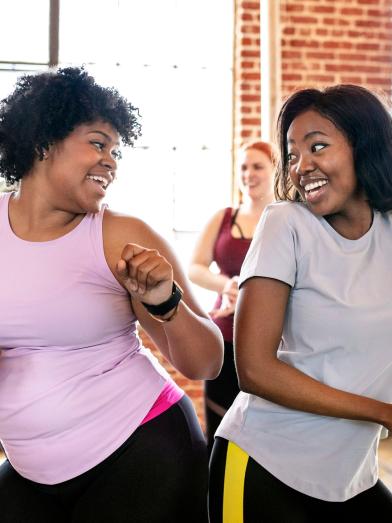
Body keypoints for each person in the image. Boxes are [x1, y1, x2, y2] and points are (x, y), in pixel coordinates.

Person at [0, 66, 223, 523]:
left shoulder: (120, 237)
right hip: (30, 467)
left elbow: (206, 362)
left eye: (117, 151)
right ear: (44, 141)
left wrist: (166, 301)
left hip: (143, 451)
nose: (112, 162)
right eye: (98, 144)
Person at [208, 84, 392, 522]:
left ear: (364, 147)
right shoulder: (286, 224)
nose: (300, 167)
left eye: (318, 147)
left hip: (350, 475)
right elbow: (254, 369)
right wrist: (383, 412)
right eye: (292, 154)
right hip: (263, 465)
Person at [188, 141, 275, 452]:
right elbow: (195, 268)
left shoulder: (290, 220)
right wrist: (226, 285)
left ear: (274, 169)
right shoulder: (223, 217)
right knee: (220, 430)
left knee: (265, 433)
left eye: (257, 166)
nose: (248, 174)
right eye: (243, 167)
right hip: (224, 337)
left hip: (273, 343)